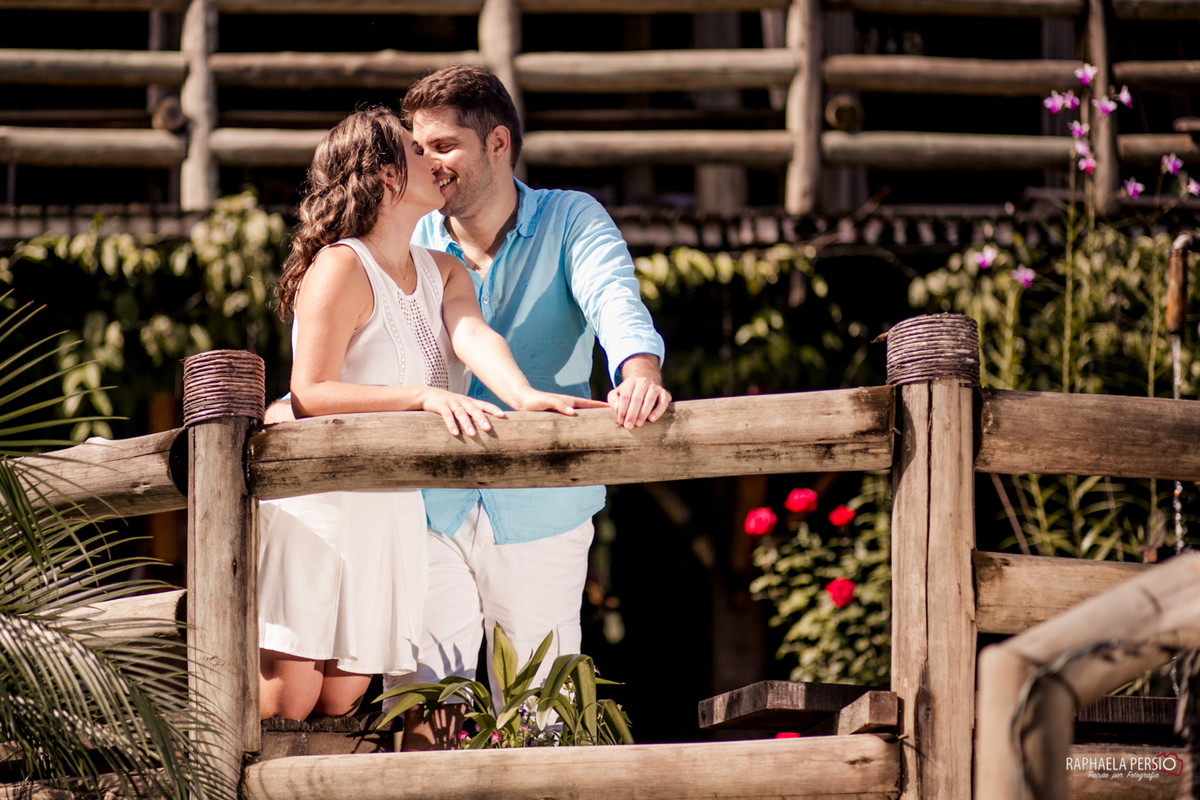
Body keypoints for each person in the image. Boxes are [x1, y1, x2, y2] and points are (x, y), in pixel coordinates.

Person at [257, 105, 602, 721]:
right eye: (418, 153)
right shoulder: (340, 265)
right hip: (321, 504)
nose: (435, 163)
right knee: (290, 699)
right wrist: (421, 397)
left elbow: (472, 335)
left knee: (342, 698)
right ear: (389, 177)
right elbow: (310, 392)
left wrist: (522, 396)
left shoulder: (444, 269)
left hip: (388, 508)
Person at [386, 64, 672, 749]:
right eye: (419, 148)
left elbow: (615, 300)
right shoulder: (409, 235)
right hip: (429, 503)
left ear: (498, 145)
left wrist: (638, 372)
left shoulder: (571, 217)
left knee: (543, 717)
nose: (429, 163)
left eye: (444, 146)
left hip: (545, 504)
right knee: (426, 711)